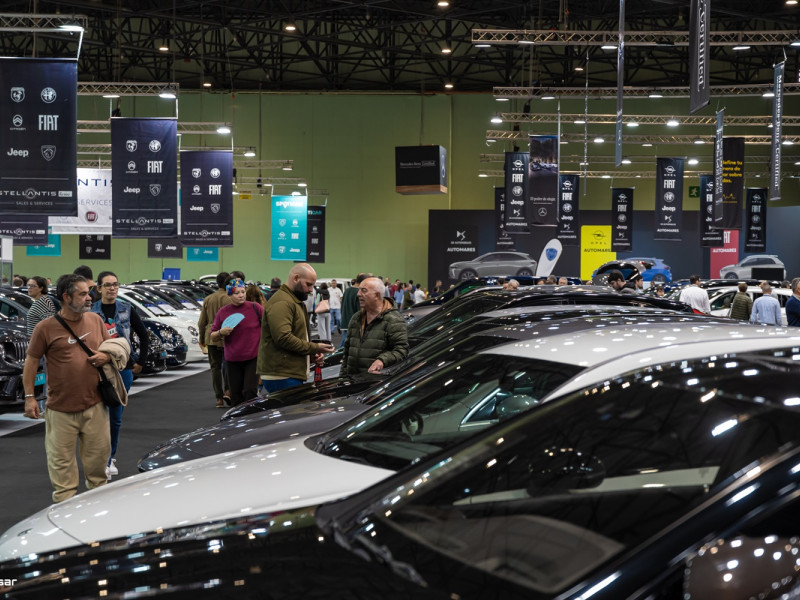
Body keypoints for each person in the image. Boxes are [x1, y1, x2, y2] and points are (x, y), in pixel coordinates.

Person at [22, 274, 112, 502]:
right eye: (82, 294)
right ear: (66, 297)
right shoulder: (45, 328)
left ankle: (99, 522)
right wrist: (30, 397)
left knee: (99, 473)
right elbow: (31, 362)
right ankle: (66, 524)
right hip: (60, 411)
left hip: (95, 407)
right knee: (63, 478)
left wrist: (106, 356)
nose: (89, 298)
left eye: (88, 293)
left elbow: (111, 348)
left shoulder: (95, 320)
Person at [91, 270, 150, 480]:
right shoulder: (90, 311)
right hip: (97, 369)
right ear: (99, 288)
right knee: (98, 416)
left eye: (115, 284)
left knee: (115, 417)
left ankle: (109, 457)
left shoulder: (126, 308)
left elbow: (144, 335)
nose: (112, 288)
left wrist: (140, 362)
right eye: (107, 285)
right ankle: (100, 457)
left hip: (123, 369)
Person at [257, 264, 334, 393]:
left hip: (287, 373)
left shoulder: (292, 301)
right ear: (296, 278)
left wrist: (310, 355)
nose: (310, 290)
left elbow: (295, 336)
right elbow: (283, 338)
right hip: (282, 375)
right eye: (308, 284)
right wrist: (314, 348)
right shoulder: (283, 302)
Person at [340, 277, 409, 376]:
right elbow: (346, 353)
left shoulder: (393, 319)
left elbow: (401, 350)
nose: (358, 294)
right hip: (352, 382)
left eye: (363, 291)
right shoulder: (356, 318)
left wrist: (382, 360)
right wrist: (342, 379)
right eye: (359, 290)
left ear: (377, 295)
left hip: (374, 384)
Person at [210, 279, 264, 405]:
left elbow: (269, 325)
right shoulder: (223, 312)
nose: (241, 295)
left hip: (253, 357)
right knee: (235, 395)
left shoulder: (255, 308)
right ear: (229, 295)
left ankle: (251, 420)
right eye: (237, 293)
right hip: (232, 359)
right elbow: (212, 336)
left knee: (250, 391)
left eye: (243, 292)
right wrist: (220, 332)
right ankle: (236, 422)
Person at [198, 272, 232, 408]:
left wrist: (202, 338)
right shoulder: (230, 298)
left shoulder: (208, 299)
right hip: (228, 336)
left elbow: (202, 322)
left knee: (215, 368)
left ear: (217, 283)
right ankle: (228, 391)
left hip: (211, 336)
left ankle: (218, 399)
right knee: (229, 365)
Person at [340, 273, 368, 348]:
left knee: (345, 341)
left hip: (345, 320)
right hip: (353, 322)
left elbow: (342, 305)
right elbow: (360, 310)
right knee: (346, 344)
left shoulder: (347, 290)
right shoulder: (358, 292)